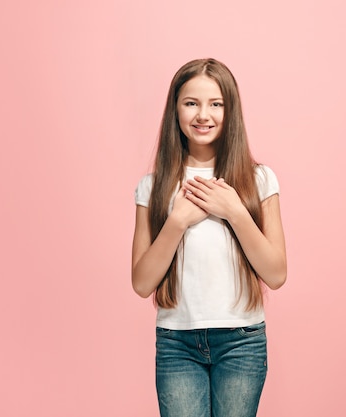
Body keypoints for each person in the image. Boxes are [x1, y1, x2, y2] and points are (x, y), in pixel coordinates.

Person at [131, 58, 287, 417]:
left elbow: (276, 274)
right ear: (175, 110)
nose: (204, 114)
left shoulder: (259, 180)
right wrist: (177, 222)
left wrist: (234, 211)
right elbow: (142, 283)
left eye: (216, 104)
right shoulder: (153, 187)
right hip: (177, 343)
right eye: (191, 103)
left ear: (230, 111)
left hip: (242, 342)